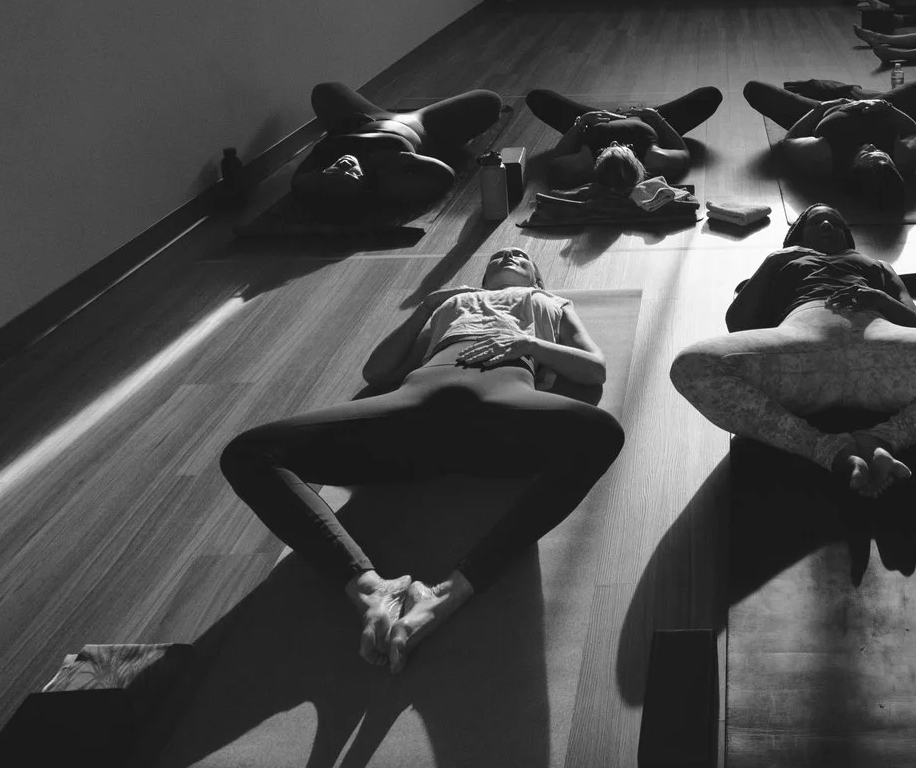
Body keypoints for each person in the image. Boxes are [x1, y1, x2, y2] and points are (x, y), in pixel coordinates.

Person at [218, 247, 624, 673]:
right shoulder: (453, 304)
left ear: (538, 280)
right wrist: (427, 307)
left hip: (499, 413)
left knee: (602, 432)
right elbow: (378, 372)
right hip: (412, 416)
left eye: (520, 255)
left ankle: (449, 593)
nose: (508, 252)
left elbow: (593, 368)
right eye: (499, 255)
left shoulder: (548, 303)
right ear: (482, 278)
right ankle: (371, 589)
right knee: (247, 453)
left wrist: (528, 342)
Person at [669, 206, 916, 496]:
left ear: (847, 235)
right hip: (800, 350)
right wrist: (775, 259)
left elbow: (915, 326)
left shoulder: (876, 266)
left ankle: (884, 438)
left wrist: (876, 297)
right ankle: (827, 450)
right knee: (691, 366)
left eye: (836, 221)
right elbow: (739, 324)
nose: (828, 223)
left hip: (880, 348)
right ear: (797, 235)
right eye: (816, 220)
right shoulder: (781, 263)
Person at [289, 81, 503, 226]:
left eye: (336, 168)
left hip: (367, 118)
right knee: (489, 101)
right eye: (351, 172)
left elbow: (299, 181)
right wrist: (410, 159)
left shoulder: (323, 163)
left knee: (326, 90)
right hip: (423, 125)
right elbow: (446, 176)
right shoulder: (386, 179)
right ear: (363, 183)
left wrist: (321, 175)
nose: (345, 164)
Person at [741, 78, 916, 208]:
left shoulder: (824, 155)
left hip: (824, 113)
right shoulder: (900, 157)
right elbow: (915, 132)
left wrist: (822, 108)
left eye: (867, 154)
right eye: (881, 153)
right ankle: (855, 92)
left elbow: (790, 140)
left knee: (754, 89)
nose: (873, 146)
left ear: (855, 166)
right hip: (875, 107)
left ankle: (830, 90)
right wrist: (887, 107)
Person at [523, 86, 722, 190]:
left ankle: (585, 122)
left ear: (598, 159)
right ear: (636, 160)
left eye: (606, 148)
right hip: (649, 120)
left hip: (594, 120)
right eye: (622, 147)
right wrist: (657, 119)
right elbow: (684, 152)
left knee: (537, 97)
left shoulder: (583, 162)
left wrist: (580, 124)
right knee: (709, 96)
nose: (615, 141)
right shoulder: (655, 158)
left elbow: (557, 157)